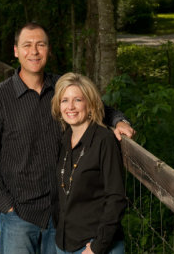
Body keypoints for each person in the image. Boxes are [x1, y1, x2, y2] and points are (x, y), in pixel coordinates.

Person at [0, 22, 133, 254]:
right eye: (27, 45)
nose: (34, 51)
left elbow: (98, 106)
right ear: (16, 51)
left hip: (60, 217)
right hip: (19, 216)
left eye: (41, 45)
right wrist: (5, 205)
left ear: (48, 50)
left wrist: (120, 121)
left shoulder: (61, 88)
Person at [51, 72, 127, 254]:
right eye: (64, 100)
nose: (70, 107)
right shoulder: (65, 138)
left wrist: (97, 247)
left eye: (78, 100)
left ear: (91, 104)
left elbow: (116, 198)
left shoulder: (104, 140)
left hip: (94, 246)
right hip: (64, 243)